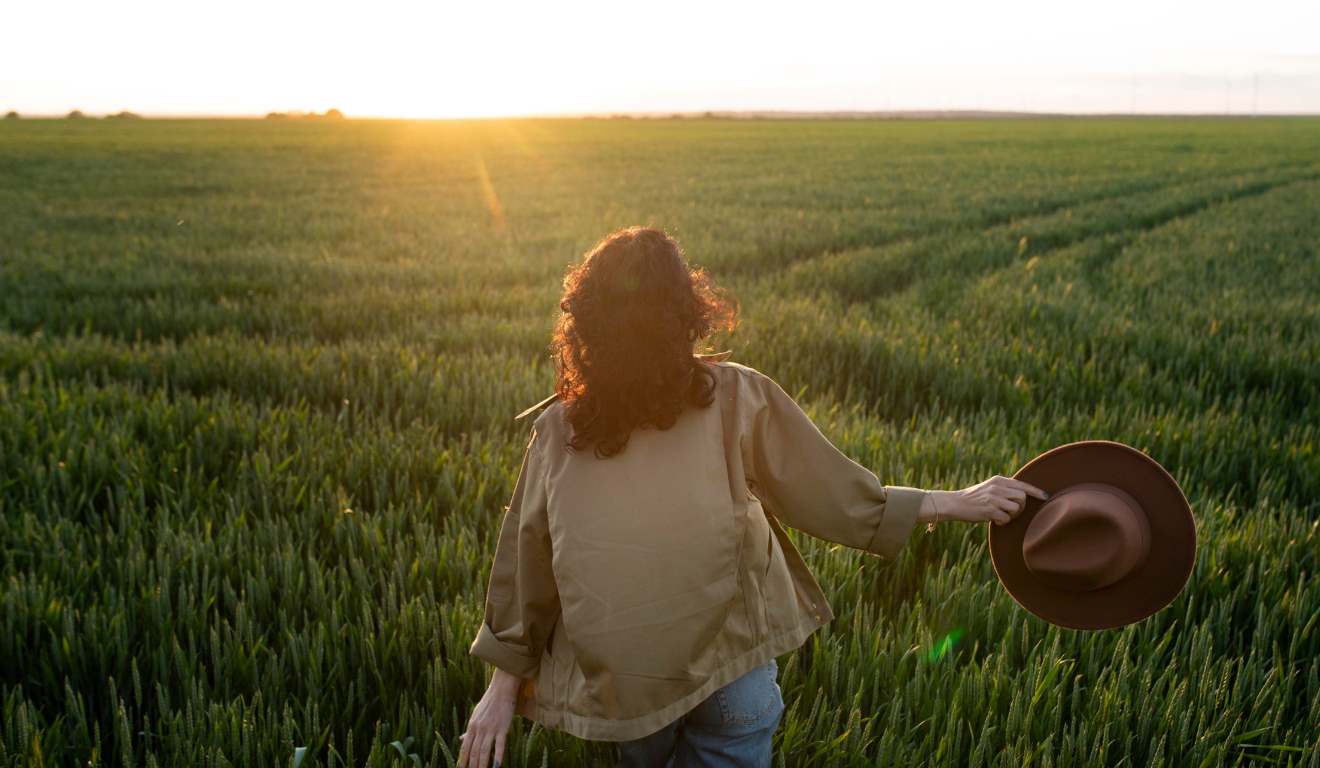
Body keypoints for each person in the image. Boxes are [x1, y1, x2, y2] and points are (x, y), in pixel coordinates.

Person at [457, 227, 1046, 768]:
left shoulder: (561, 430)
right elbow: (832, 495)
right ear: (685, 315)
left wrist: (501, 689)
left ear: (586, 325)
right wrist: (952, 500)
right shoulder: (735, 395)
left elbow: (526, 562)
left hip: (623, 694)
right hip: (731, 675)